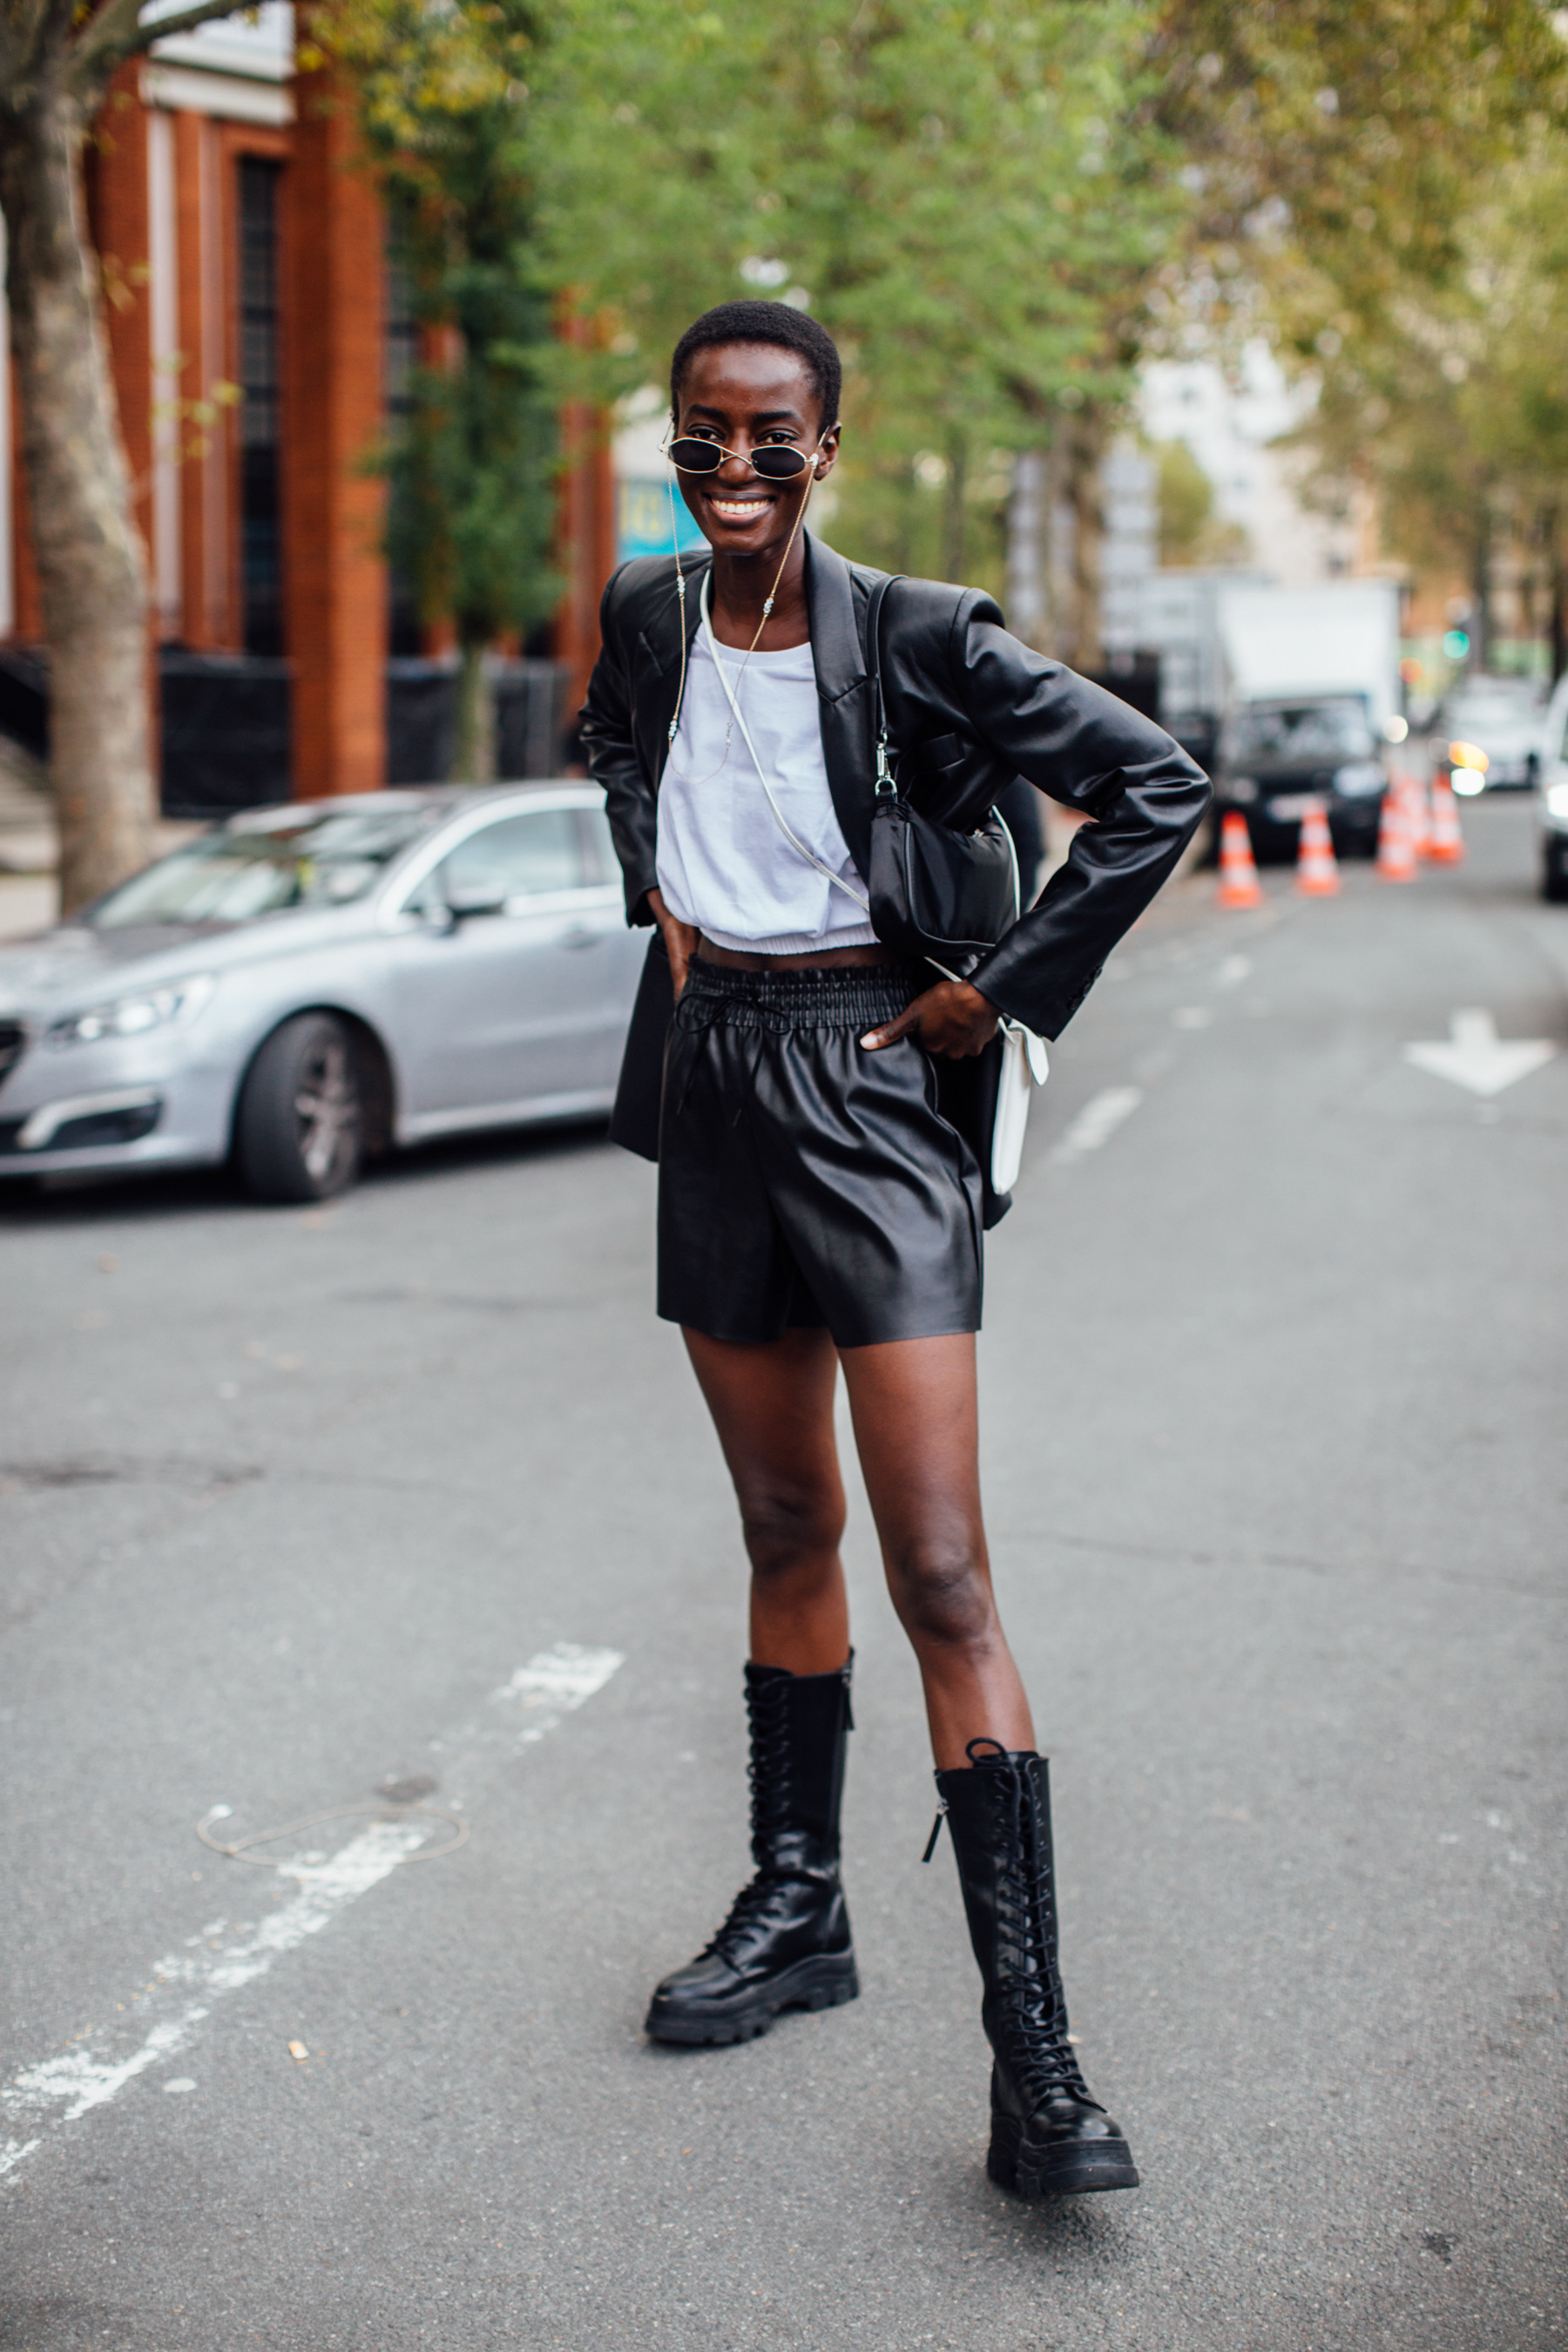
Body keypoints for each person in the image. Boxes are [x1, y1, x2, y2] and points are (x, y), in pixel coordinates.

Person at [582, 300, 1208, 2201]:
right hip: (713, 1080)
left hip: (870, 1073)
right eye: (706, 436)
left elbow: (1154, 788)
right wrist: (663, 902)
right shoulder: (645, 608)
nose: (737, 467)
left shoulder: (923, 633)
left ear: (826, 448)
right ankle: (801, 1909)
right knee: (787, 1536)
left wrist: (991, 997)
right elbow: (617, 749)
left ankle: (1037, 2059)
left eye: (773, 437)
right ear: (675, 447)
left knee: (939, 1568)